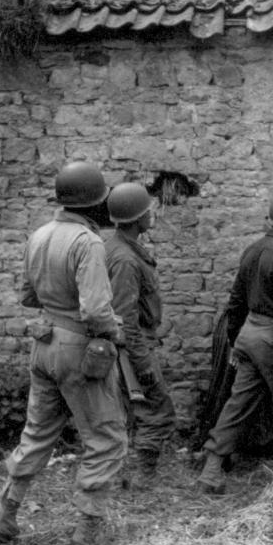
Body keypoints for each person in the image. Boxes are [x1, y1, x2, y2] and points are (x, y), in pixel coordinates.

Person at [0, 161, 127, 545]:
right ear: (94, 203)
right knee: (105, 438)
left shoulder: (39, 235)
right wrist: (115, 332)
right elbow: (97, 311)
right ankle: (87, 531)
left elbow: (27, 295)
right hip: (78, 348)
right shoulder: (89, 242)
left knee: (36, 433)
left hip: (44, 342)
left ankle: (5, 517)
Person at [196, 191, 273, 493]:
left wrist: (236, 342)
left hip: (249, 335)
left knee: (239, 404)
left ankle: (211, 469)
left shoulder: (252, 249)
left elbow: (235, 302)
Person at [104, 182, 175, 488]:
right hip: (132, 346)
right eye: (147, 210)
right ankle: (142, 475)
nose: (152, 214)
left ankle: (124, 472)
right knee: (156, 407)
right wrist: (142, 363)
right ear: (136, 219)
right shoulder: (125, 259)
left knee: (132, 410)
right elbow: (124, 319)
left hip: (133, 342)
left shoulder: (120, 248)